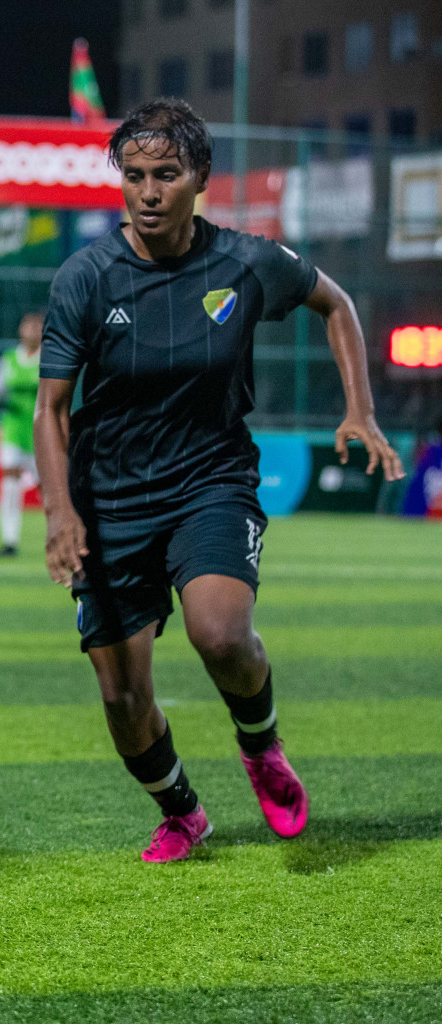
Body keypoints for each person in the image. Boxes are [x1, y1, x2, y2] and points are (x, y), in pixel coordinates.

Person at [34, 99, 405, 863]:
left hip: (211, 479)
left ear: (199, 176)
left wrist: (360, 410)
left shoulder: (246, 262)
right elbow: (51, 409)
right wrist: (61, 514)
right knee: (123, 696)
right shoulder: (86, 279)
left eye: (165, 174)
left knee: (220, 633)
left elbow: (334, 304)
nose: (147, 191)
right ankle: (182, 811)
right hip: (107, 501)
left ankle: (262, 747)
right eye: (133, 175)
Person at [0, 310, 44, 556]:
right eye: (28, 326)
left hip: (41, 432)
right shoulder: (9, 359)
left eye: (37, 326)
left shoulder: (49, 357)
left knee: (47, 488)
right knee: (10, 482)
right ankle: (10, 540)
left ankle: (57, 536)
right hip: (13, 430)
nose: (32, 331)